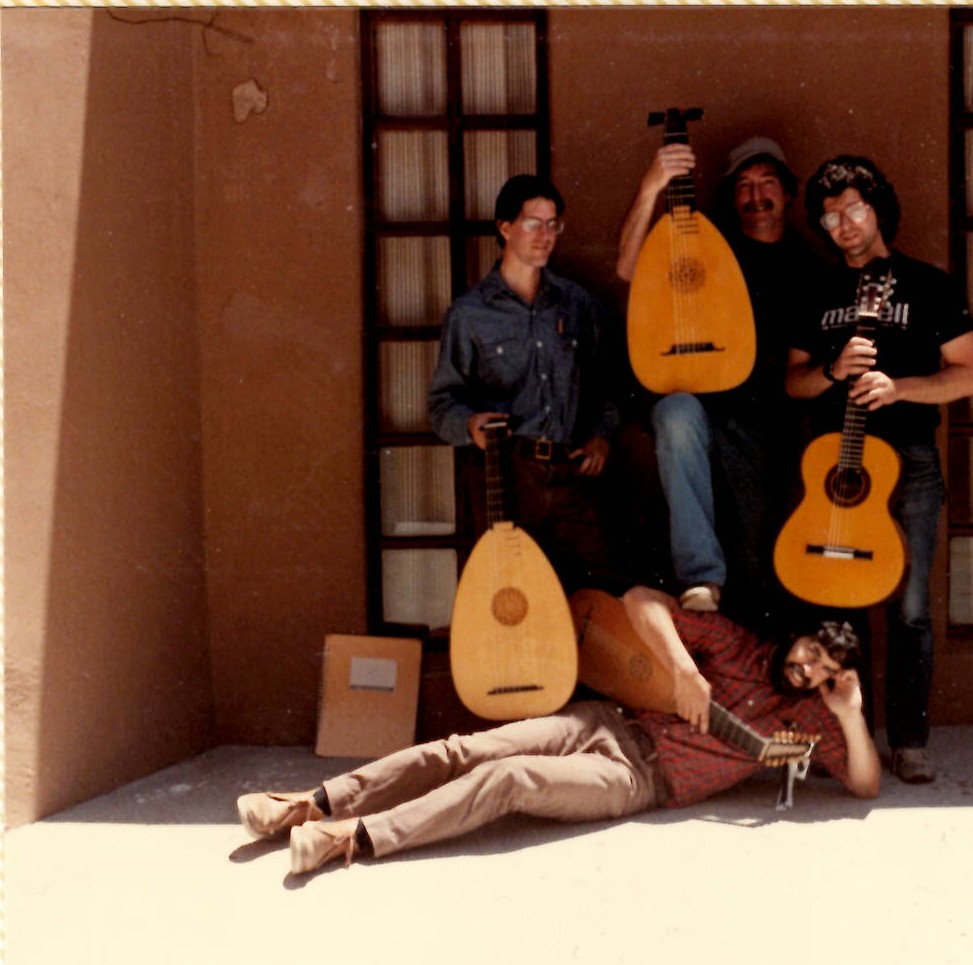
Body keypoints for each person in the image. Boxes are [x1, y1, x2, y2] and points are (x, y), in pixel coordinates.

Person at [235, 585, 880, 875]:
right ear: (797, 635)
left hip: (636, 777)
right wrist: (685, 673)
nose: (807, 667)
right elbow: (639, 601)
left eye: (824, 668)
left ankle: (352, 839)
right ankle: (310, 803)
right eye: (810, 650)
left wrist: (849, 714)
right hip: (607, 719)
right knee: (469, 748)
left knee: (509, 777)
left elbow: (863, 787)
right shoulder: (738, 644)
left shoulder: (811, 719)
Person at [785, 156, 973, 785]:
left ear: (879, 211)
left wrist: (899, 390)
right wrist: (832, 372)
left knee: (910, 607)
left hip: (910, 467)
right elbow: (792, 383)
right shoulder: (815, 289)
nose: (843, 224)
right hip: (839, 473)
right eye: (830, 214)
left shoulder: (929, 286)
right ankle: (851, 735)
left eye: (854, 209)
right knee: (841, 602)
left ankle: (910, 740)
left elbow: (968, 375)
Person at [616, 137, 820, 618]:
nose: (756, 195)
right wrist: (652, 186)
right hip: (705, 409)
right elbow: (628, 266)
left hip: (768, 422)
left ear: (788, 193)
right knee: (674, 412)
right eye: (744, 186)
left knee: (756, 563)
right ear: (733, 198)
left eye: (767, 182)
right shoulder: (705, 247)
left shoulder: (808, 267)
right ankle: (701, 576)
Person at [430, 174, 619, 589]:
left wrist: (602, 435)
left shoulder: (577, 303)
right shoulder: (470, 313)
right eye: (534, 223)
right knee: (514, 598)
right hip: (506, 476)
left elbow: (611, 380)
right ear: (504, 228)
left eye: (554, 224)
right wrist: (470, 425)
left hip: (571, 475)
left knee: (597, 598)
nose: (545, 235)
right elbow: (443, 403)